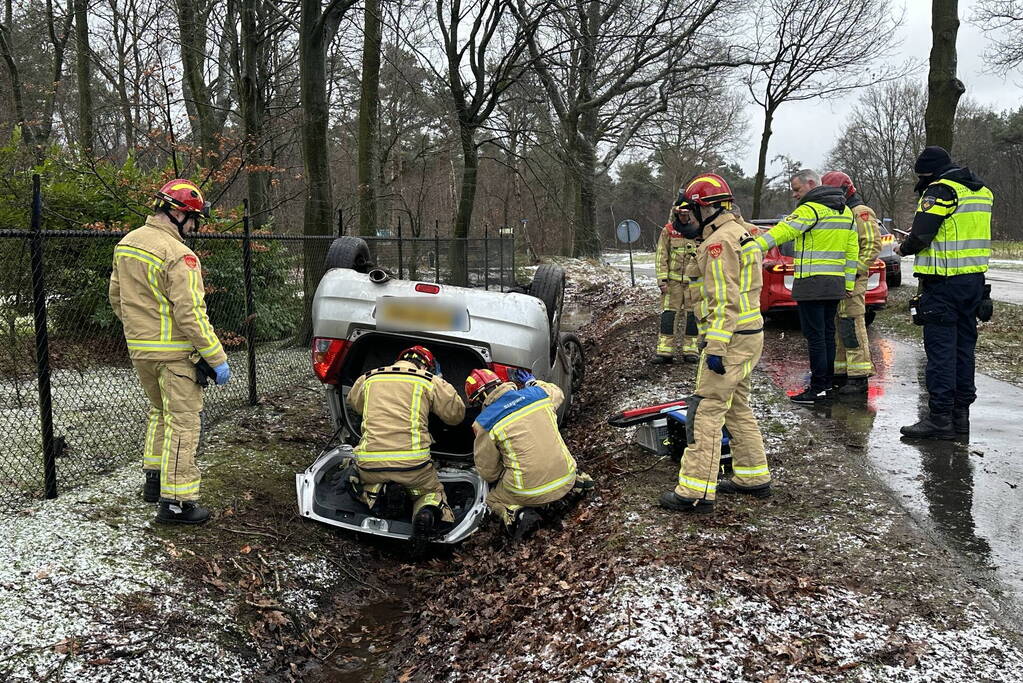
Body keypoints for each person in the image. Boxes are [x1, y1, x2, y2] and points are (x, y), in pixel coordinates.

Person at [109, 179, 229, 525]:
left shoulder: (128, 243)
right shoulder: (180, 256)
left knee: (159, 413)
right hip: (175, 355)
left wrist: (141, 331)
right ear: (178, 213)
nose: (194, 227)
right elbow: (191, 314)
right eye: (193, 219)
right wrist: (217, 358)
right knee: (184, 423)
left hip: (141, 350)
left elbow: (117, 298)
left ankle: (154, 481)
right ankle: (177, 504)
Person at [657, 173, 772, 514]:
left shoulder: (718, 245)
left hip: (731, 340)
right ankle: (753, 476)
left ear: (704, 209)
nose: (688, 218)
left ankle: (695, 491)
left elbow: (725, 301)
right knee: (737, 406)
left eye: (692, 210)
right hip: (751, 335)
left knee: (705, 410)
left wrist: (717, 348)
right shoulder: (742, 233)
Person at [896, 146, 992, 439]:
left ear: (927, 172)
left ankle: (939, 418)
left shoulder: (940, 191)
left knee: (940, 352)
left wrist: (904, 247)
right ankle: (960, 418)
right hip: (973, 283)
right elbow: (952, 229)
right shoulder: (981, 191)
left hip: (943, 285)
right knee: (964, 351)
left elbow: (923, 236)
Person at [754, 169, 859, 404]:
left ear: (811, 183)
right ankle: (827, 384)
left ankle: (818, 387)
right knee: (828, 335)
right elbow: (852, 252)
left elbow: (783, 231)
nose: (794, 195)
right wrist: (848, 282)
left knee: (815, 338)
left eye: (796, 189)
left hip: (811, 283)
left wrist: (752, 246)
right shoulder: (846, 213)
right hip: (835, 284)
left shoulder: (810, 209)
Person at [347, 346, 466, 536]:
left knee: (357, 475)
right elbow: (456, 415)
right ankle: (427, 511)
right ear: (428, 366)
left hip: (370, 465)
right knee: (430, 493)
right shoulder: (430, 381)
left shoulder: (369, 378)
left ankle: (378, 493)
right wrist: (441, 383)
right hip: (413, 468)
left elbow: (355, 404)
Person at [466, 368, 593, 539]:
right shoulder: (537, 394)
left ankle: (518, 515)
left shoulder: (484, 423)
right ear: (501, 383)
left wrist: (507, 466)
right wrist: (532, 382)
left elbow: (489, 472)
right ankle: (578, 483)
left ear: (478, 399)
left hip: (528, 492)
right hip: (566, 476)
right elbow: (558, 393)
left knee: (493, 500)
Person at [821, 171, 882, 396]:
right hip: (838, 280)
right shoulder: (843, 212)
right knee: (839, 325)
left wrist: (854, 272)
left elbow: (872, 246)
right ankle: (842, 372)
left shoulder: (861, 213)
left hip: (853, 281)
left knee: (852, 325)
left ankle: (859, 377)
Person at [653, 211, 700, 364]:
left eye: (687, 214)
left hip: (693, 283)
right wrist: (662, 280)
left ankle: (691, 350)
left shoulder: (699, 230)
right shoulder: (668, 231)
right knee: (668, 315)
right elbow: (661, 255)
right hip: (672, 284)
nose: (684, 217)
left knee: (693, 317)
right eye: (681, 214)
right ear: (676, 214)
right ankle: (665, 351)